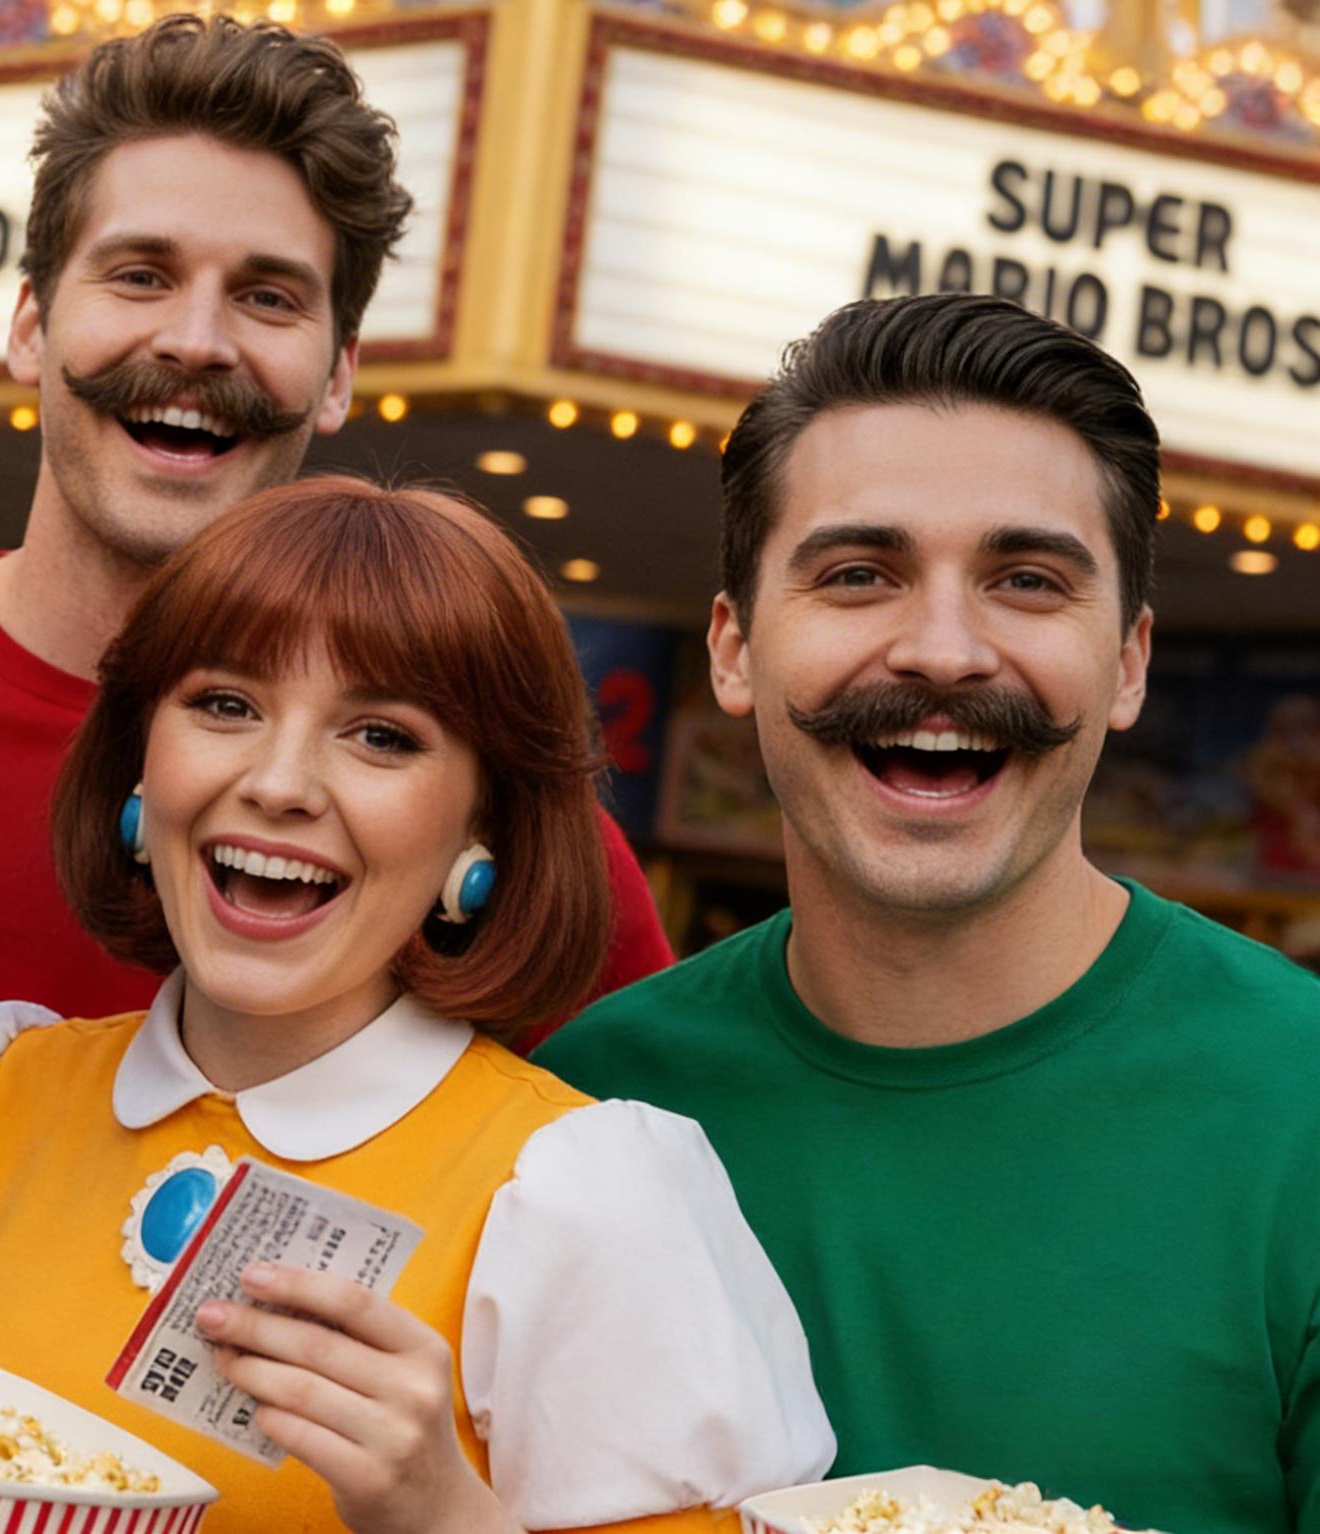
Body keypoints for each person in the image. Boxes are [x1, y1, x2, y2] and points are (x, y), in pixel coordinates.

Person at [0, 478, 832, 1534]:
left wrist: (443, 1512)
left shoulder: (582, 1200)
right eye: (225, 704)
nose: (279, 783)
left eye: (380, 736)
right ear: (139, 759)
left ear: (483, 826)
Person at [0, 15, 672, 1087]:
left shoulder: (485, 818)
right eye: (140, 275)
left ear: (338, 374)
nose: (195, 341)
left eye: (267, 297)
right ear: (30, 326)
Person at [534, 294, 1320, 1534]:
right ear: (733, 649)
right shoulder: (581, 1107)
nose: (943, 651)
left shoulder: (1298, 1104)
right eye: (858, 575)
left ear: (1125, 662)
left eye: (1026, 580)